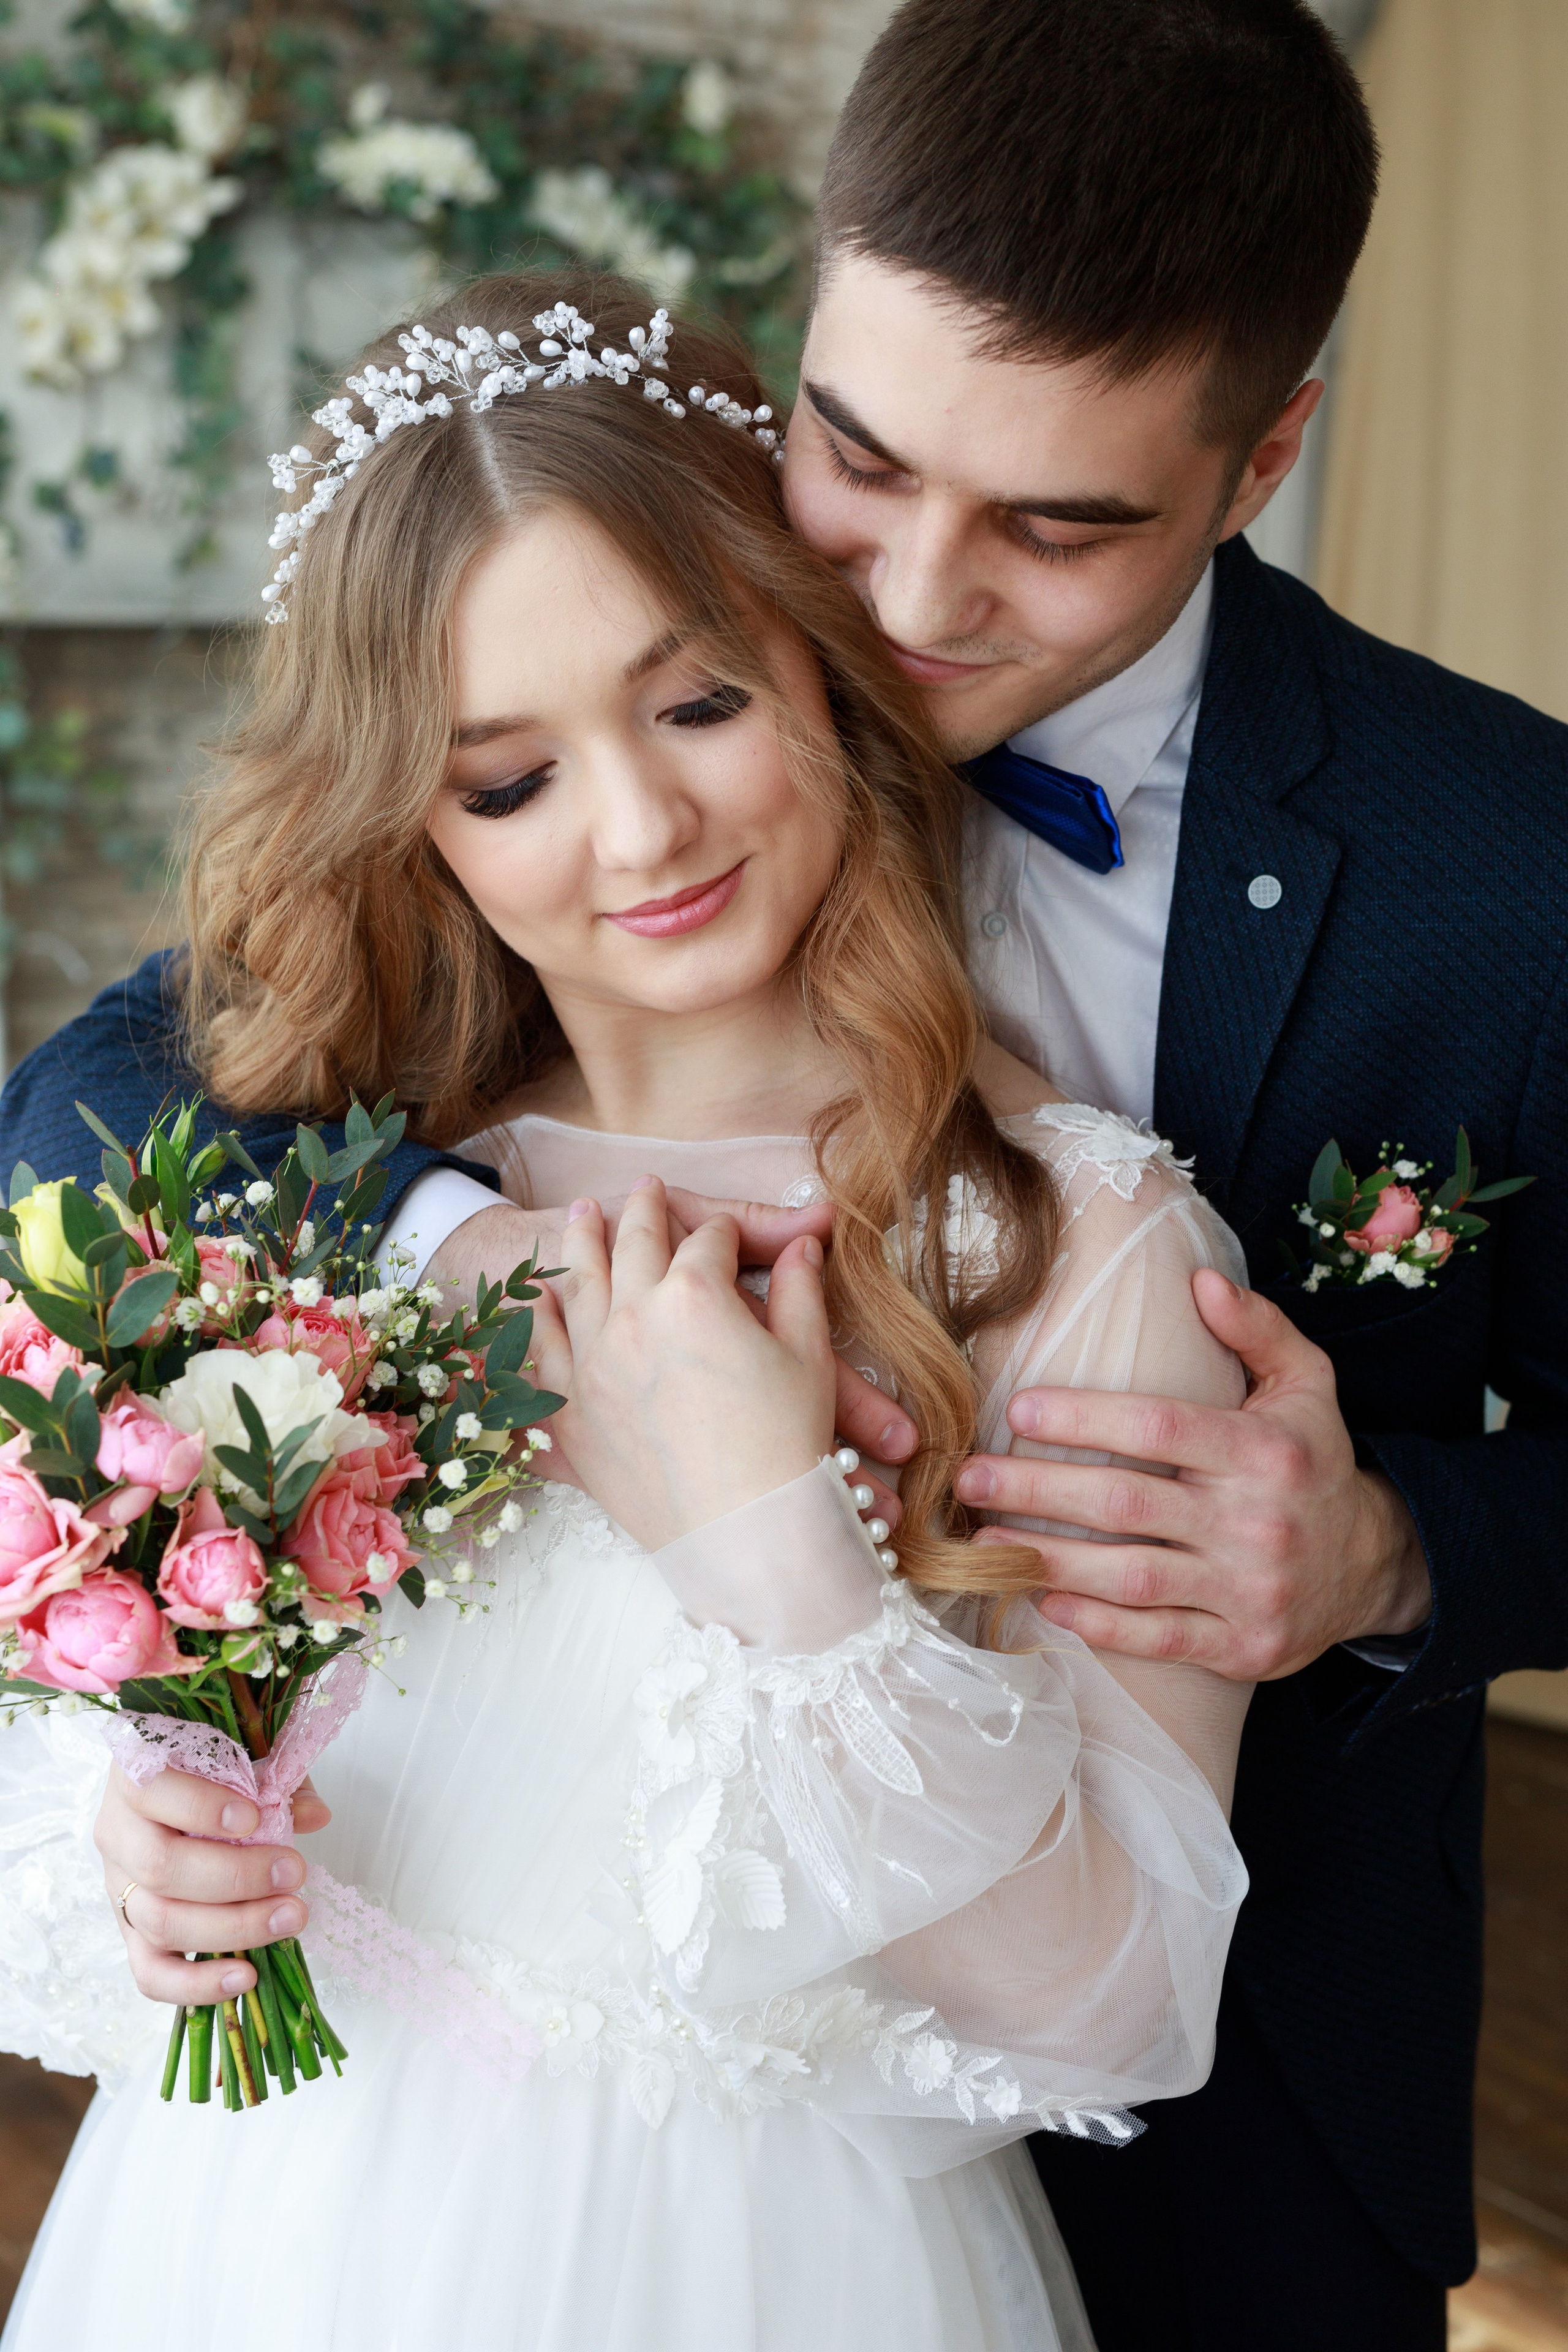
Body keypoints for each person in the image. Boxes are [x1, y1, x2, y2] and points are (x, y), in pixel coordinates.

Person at [4, 0, 1566, 2342]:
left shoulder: (1502, 886)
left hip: (1148, 2118)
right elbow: (106, 1104)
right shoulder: (418, 1072)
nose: (913, 602)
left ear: (1262, 458)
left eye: (1058, 521)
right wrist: (479, 1260)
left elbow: (1107, 1979)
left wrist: (1390, 1548)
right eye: (862, 460)